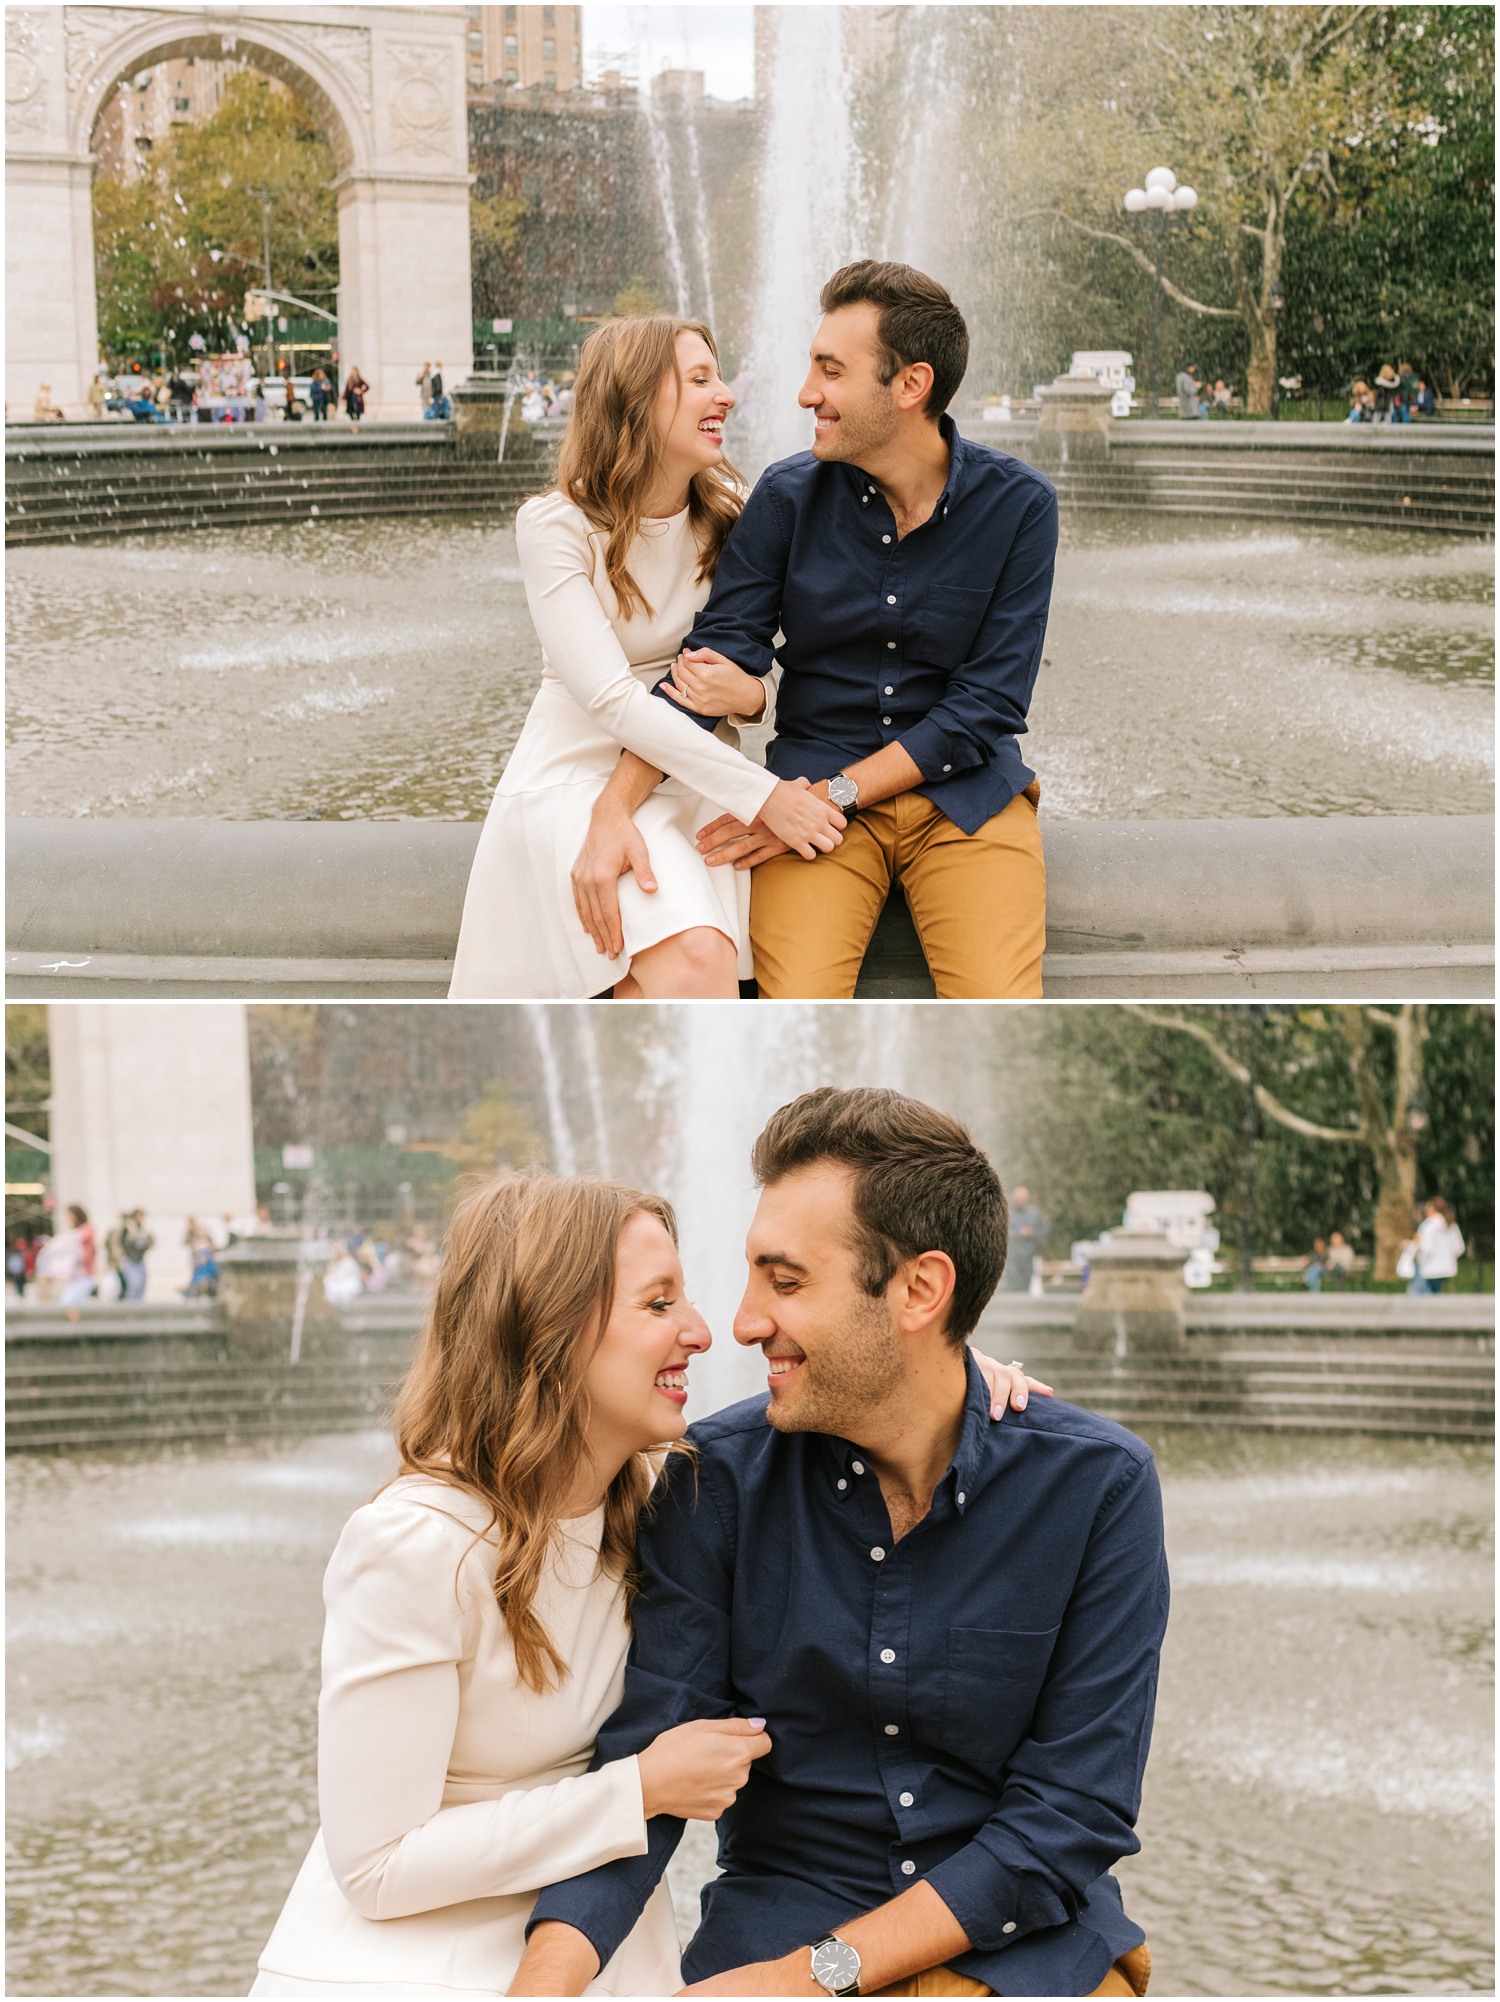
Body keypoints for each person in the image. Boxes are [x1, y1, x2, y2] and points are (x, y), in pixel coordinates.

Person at [251, 1164, 1056, 1995]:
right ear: (549, 1331)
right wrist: (638, 1787)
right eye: (659, 1303)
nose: (705, 1332)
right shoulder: (418, 1546)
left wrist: (945, 1375)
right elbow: (376, 1866)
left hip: (590, 1935)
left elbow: (867, 1386)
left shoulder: (651, 1507)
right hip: (420, 1961)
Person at [519, 1087, 1165, 2000]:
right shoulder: (717, 1481)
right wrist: (538, 1988)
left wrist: (814, 1978)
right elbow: (647, 1775)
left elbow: (1068, 1821)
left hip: (1020, 1957)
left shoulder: (1098, 1490)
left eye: (785, 1283)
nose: (742, 1322)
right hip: (774, 1930)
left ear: (918, 1290)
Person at [580, 262, 1054, 999]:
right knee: (791, 1006)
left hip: (965, 801)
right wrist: (614, 808)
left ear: (910, 386)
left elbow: (986, 706)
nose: (806, 394)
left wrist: (836, 792)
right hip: (808, 813)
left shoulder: (1020, 507)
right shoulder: (786, 496)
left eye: (830, 371)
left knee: (1000, 1005)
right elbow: (709, 668)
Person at [449, 316, 847, 1000]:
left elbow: (770, 668)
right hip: (577, 775)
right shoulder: (555, 526)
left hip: (695, 778)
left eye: (718, 377)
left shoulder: (737, 513)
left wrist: (752, 700)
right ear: (634, 400)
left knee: (690, 970)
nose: (725, 395)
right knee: (697, 961)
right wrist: (765, 796)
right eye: (699, 380)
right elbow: (611, 700)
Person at [1409, 1197, 1464, 1295]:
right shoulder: (1451, 1225)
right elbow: (1459, 1248)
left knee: (1419, 1296)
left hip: (1428, 1268)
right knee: (1436, 1296)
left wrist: (1420, 1260)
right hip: (1446, 1269)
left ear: (1433, 1209)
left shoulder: (1428, 1225)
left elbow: (1427, 1248)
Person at [1000, 1183, 1045, 1292]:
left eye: (1023, 1198)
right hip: (1012, 1258)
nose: (1021, 1201)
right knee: (1012, 1288)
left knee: (1026, 1287)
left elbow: (1042, 1230)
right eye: (1018, 1198)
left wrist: (1033, 1233)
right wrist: (1019, 1233)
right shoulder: (1007, 1213)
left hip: (1028, 1257)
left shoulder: (1034, 1214)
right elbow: (1001, 1233)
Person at [120, 1209, 153, 1301]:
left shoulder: (144, 1229)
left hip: (140, 1260)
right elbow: (122, 1243)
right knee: (133, 1285)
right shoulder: (129, 1228)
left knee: (141, 1285)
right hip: (131, 1260)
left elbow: (149, 1243)